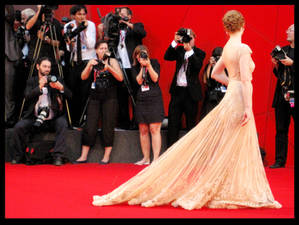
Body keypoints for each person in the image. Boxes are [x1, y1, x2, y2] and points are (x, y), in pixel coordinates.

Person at [92, 10, 281, 210]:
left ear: (226, 28)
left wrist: (233, 85)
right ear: (242, 25)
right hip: (240, 99)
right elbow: (245, 80)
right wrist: (247, 105)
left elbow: (216, 74)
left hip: (233, 95)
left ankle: (231, 188)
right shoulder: (243, 48)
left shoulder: (227, 48)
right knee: (235, 143)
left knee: (231, 143)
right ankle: (234, 189)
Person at [11, 57, 72, 166]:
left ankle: (58, 156)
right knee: (19, 127)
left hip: (53, 117)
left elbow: (70, 95)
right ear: (38, 67)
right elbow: (27, 96)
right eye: (44, 66)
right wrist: (40, 86)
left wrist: (60, 87)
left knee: (62, 123)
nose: (47, 69)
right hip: (34, 117)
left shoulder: (56, 79)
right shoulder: (32, 81)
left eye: (49, 67)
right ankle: (18, 156)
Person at [73, 40, 123, 164]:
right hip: (94, 96)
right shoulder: (93, 61)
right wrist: (89, 65)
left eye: (105, 48)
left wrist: (109, 68)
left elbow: (120, 78)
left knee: (108, 125)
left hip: (110, 96)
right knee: (90, 124)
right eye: (101, 48)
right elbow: (83, 77)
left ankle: (106, 156)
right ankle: (83, 155)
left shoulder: (112, 61)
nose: (103, 50)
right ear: (96, 50)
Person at [98, 6, 147, 129]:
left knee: (137, 94)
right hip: (119, 68)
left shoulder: (136, 27)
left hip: (133, 67)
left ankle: (137, 122)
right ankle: (123, 123)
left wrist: (127, 24)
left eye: (122, 14)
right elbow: (106, 43)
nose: (119, 16)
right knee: (121, 96)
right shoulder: (115, 29)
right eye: (118, 14)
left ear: (129, 16)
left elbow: (142, 33)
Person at [164, 28, 206, 147]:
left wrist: (190, 51)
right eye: (186, 38)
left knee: (191, 124)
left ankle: (190, 153)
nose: (188, 40)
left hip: (190, 94)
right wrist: (175, 41)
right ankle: (170, 153)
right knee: (173, 123)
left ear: (194, 39)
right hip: (177, 91)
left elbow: (197, 66)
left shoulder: (199, 53)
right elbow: (167, 57)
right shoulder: (179, 50)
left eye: (190, 38)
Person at [64, 5, 97, 128]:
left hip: (87, 61)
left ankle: (83, 120)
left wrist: (84, 31)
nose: (82, 17)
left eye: (84, 14)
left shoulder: (91, 25)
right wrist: (70, 43)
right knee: (73, 92)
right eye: (79, 14)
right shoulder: (69, 26)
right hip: (74, 62)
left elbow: (91, 45)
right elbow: (69, 49)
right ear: (73, 16)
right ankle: (73, 120)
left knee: (85, 92)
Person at [131, 45, 164, 165]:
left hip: (154, 98)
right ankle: (146, 158)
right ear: (136, 57)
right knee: (143, 129)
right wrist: (141, 67)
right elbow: (139, 81)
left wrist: (148, 65)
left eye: (144, 54)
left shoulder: (154, 63)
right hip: (142, 100)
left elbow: (155, 78)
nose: (142, 56)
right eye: (139, 55)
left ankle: (155, 159)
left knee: (154, 129)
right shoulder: (134, 67)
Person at [269, 24, 295, 169]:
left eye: (290, 30)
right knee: (281, 128)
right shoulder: (284, 50)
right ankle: (280, 160)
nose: (287, 31)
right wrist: (276, 65)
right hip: (282, 95)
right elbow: (279, 76)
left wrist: (292, 64)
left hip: (293, 97)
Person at [25, 5, 63, 76]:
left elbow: (58, 43)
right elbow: (27, 26)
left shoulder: (55, 23)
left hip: (50, 60)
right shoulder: (35, 20)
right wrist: (39, 10)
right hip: (35, 58)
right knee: (35, 82)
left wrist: (47, 40)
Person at [5, 5, 22, 128]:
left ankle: (8, 119)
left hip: (8, 56)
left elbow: (10, 14)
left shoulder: (8, 15)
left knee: (8, 91)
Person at [200, 47, 227, 119]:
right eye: (216, 57)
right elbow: (205, 80)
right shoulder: (210, 66)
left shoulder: (227, 66)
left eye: (220, 57)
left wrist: (222, 66)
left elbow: (227, 81)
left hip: (223, 97)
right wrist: (210, 66)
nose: (218, 59)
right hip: (212, 98)